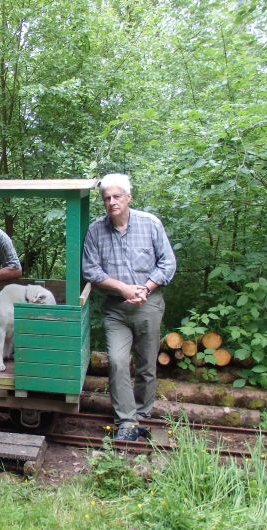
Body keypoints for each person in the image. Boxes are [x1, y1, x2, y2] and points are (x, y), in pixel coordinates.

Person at [82, 174, 176, 442]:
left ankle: (142, 415)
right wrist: (123, 288)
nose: (111, 202)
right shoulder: (96, 230)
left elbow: (167, 263)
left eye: (116, 197)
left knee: (147, 364)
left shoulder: (150, 224)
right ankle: (126, 420)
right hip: (116, 309)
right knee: (118, 361)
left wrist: (145, 288)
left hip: (149, 304)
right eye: (106, 198)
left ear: (128, 197)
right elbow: (90, 270)